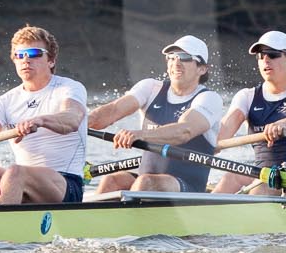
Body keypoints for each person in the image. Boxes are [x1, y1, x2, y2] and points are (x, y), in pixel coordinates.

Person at [0, 25, 90, 204]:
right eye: (19, 55)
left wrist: (41, 120)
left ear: (51, 60)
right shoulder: (5, 101)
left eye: (34, 53)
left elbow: (72, 118)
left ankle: (3, 227)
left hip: (66, 184)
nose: (26, 60)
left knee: (15, 172)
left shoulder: (69, 88)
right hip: (21, 181)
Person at [86, 34, 226, 194]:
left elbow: (184, 131)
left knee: (145, 183)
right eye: (171, 57)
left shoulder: (209, 99)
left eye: (184, 57)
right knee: (112, 180)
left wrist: (140, 135)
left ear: (202, 69)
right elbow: (113, 111)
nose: (176, 63)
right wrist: (81, 122)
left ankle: (128, 215)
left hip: (187, 187)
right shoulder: (151, 87)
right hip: (147, 179)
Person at [214, 30, 286, 190]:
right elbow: (222, 133)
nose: (265, 59)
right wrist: (198, 141)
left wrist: (283, 124)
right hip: (263, 176)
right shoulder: (247, 96)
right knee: (230, 178)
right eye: (260, 55)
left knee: (263, 186)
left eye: (272, 54)